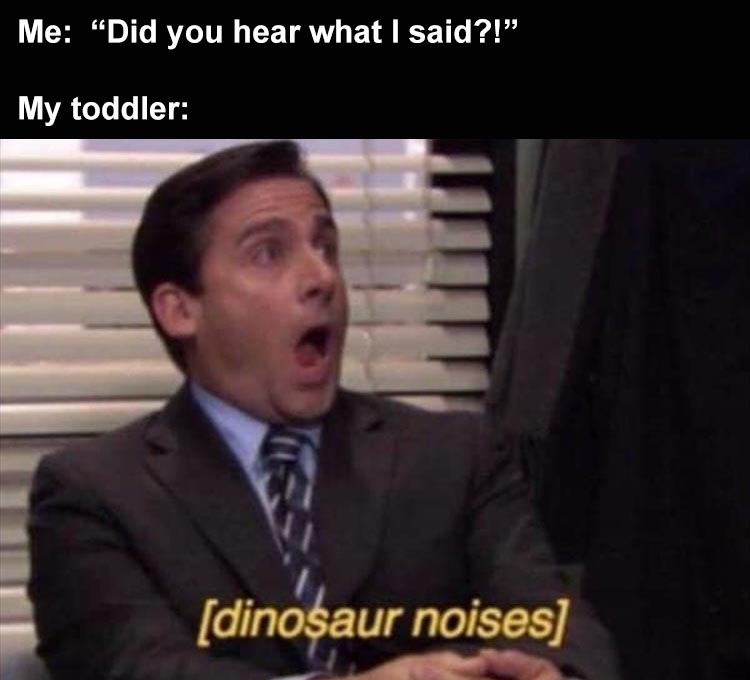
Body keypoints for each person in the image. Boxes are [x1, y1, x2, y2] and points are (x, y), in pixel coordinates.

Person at [27, 141, 620, 680]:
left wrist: (551, 675)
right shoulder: (93, 495)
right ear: (180, 310)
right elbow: (140, 668)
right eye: (268, 253)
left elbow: (559, 628)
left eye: (326, 247)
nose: (322, 277)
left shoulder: (456, 457)